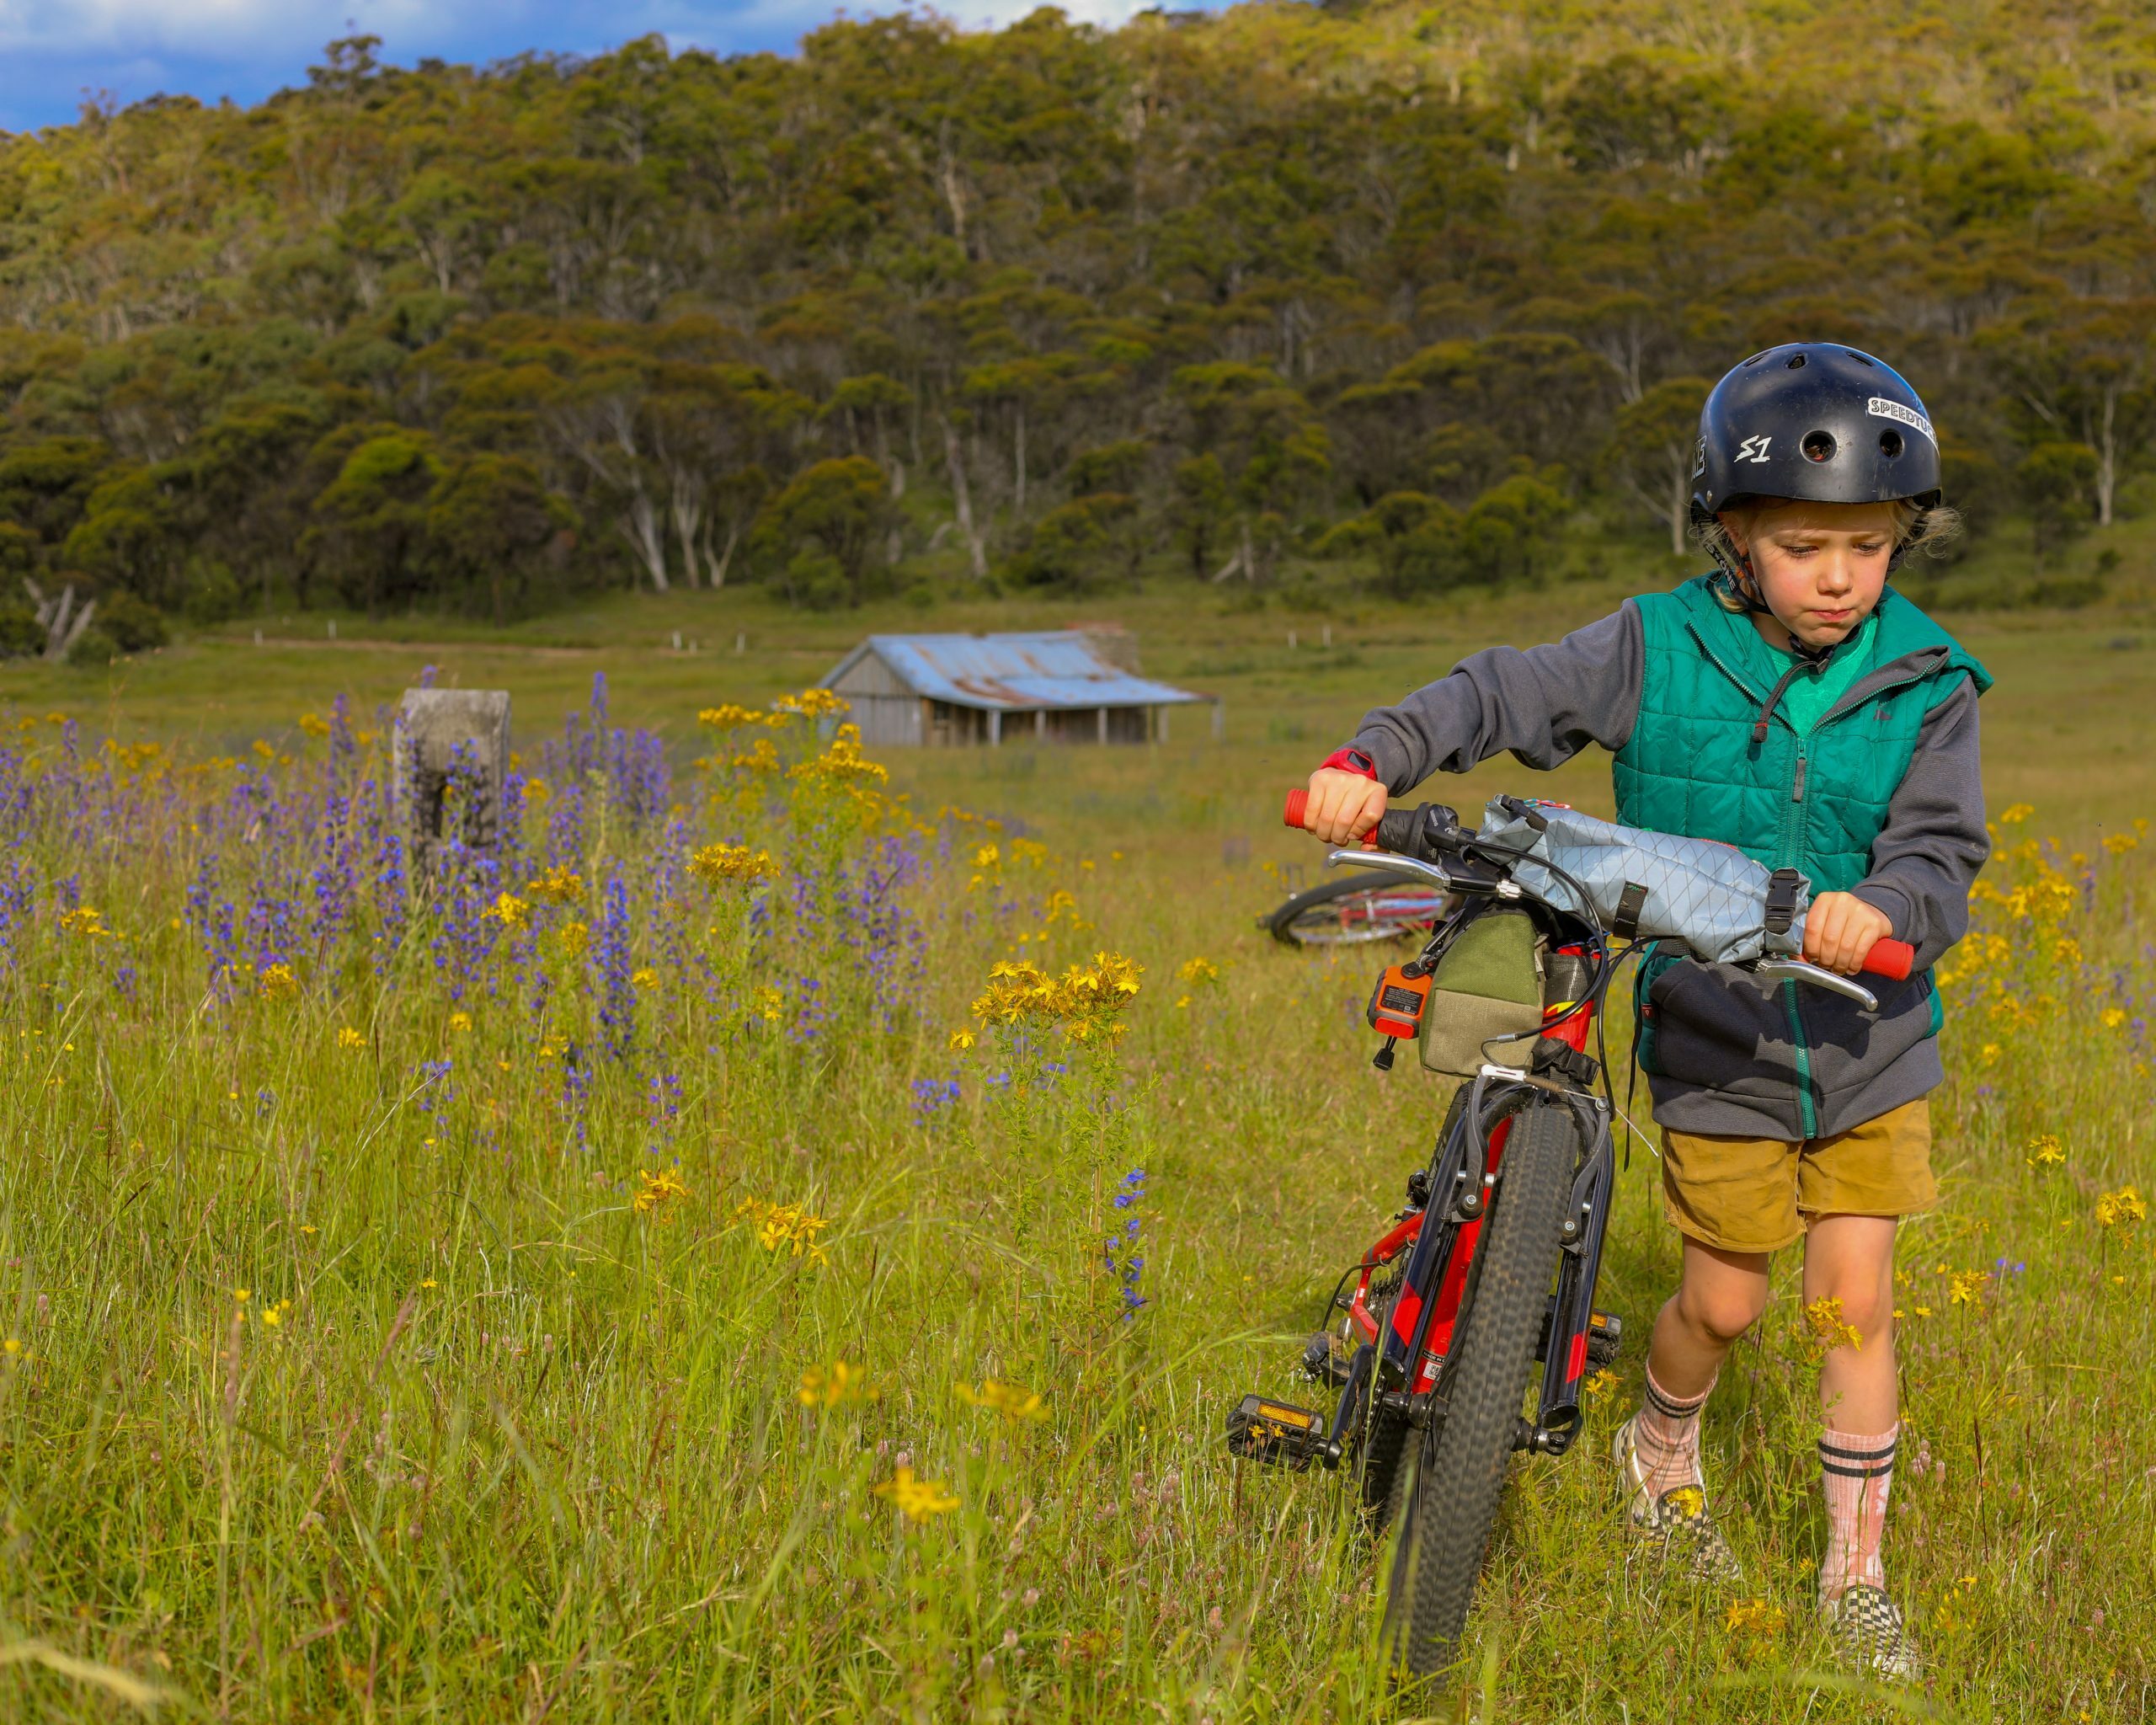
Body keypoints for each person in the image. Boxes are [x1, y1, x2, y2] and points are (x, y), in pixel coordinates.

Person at [1296, 344, 1989, 1680]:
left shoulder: (1932, 681)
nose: (1841, 577)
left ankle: (1856, 1580)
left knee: (1854, 1305)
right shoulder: (1656, 645)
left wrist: (1891, 909)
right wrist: (1370, 758)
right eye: (1803, 546)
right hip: (1720, 1038)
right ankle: (1659, 1447)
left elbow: (1942, 852)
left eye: (1870, 546)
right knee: (1722, 1306)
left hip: (1866, 1039)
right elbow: (1504, 694)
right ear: (1732, 536)